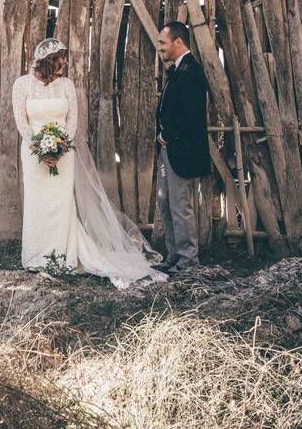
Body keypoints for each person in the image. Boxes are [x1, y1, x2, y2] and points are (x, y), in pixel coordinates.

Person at [11, 37, 167, 289]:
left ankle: (63, 254)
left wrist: (60, 148)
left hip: (63, 152)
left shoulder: (66, 86)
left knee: (61, 203)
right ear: (48, 60)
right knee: (37, 201)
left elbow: (72, 121)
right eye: (60, 59)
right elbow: (21, 121)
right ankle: (37, 255)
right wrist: (38, 148)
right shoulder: (22, 85)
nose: (64, 63)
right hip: (33, 154)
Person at [154, 21, 211, 273]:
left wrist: (168, 136)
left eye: (163, 43)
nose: (160, 48)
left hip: (181, 151)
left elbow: (191, 115)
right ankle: (173, 255)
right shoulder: (177, 69)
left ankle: (188, 261)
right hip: (169, 150)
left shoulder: (190, 71)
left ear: (178, 42)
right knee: (166, 204)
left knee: (180, 206)